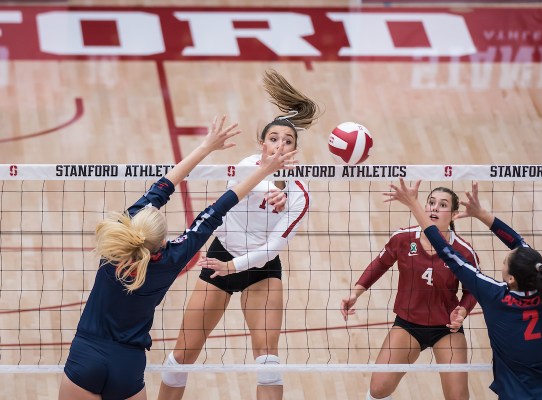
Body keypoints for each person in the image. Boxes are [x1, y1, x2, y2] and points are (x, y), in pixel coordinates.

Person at [58, 115, 298, 400]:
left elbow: (165, 189)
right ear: (162, 241)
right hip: (128, 365)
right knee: (185, 355)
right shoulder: (171, 259)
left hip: (86, 355)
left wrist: (206, 147)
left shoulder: (115, 245)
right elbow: (218, 208)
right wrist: (265, 171)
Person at [157, 69, 320, 400]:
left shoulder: (301, 195)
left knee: (269, 364)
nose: (279, 145)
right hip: (222, 256)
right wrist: (278, 187)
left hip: (260, 270)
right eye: (273, 139)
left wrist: (286, 189)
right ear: (262, 145)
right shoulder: (244, 168)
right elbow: (255, 185)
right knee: (182, 356)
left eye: (288, 141)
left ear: (294, 151)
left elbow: (273, 248)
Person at [386, 179, 542, 400]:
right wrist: (481, 213)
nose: (503, 261)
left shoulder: (495, 295)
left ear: (510, 278)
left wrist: (414, 204)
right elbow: (519, 243)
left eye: (504, 262)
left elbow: (447, 253)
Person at [341, 186, 480, 400]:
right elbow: (379, 264)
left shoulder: (463, 251)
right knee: (379, 389)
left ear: (453, 215)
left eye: (443, 205)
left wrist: (462, 310)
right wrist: (356, 293)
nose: (434, 208)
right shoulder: (404, 238)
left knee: (458, 398)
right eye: (431, 202)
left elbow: (473, 291)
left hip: (446, 329)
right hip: (408, 325)